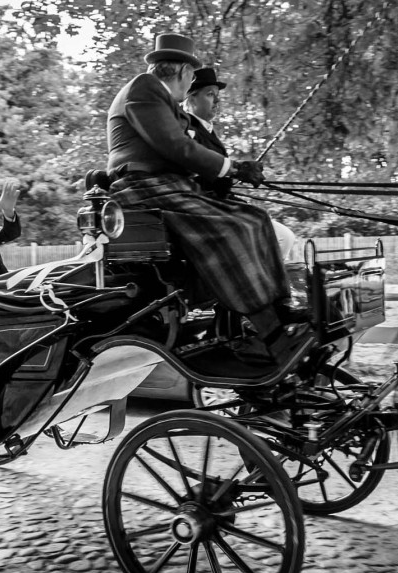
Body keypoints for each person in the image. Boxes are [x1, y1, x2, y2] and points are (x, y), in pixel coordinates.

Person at [106, 32, 308, 362]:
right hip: (144, 187)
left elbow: (183, 152)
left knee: (254, 218)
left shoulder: (163, 100)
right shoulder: (144, 88)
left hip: (167, 186)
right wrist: (230, 167)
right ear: (185, 72)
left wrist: (228, 172)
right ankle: (266, 328)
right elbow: (176, 146)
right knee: (233, 227)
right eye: (193, 76)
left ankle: (278, 305)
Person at [182, 66, 298, 261]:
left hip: (221, 203)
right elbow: (196, 166)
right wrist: (236, 171)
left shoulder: (207, 130)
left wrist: (238, 172)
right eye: (210, 94)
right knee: (281, 238)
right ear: (191, 98)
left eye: (217, 95)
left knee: (284, 237)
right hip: (205, 208)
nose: (217, 101)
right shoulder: (188, 128)